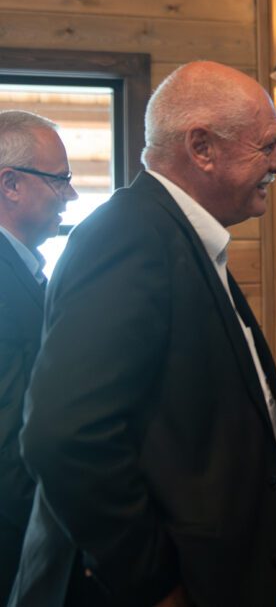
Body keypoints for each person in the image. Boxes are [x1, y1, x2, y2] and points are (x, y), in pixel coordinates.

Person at [9, 61, 276, 606]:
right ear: (201, 147)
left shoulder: (177, 234)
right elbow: (64, 435)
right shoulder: (129, 235)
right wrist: (155, 583)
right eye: (266, 146)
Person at [0, 111, 77, 604]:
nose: (71, 194)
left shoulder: (24, 271)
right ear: (10, 184)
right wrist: (60, 534)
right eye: (59, 180)